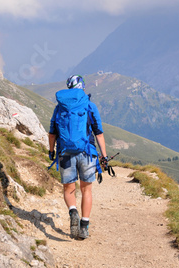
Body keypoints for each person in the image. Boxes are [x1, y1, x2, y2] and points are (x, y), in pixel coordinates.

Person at [48, 75, 107, 240]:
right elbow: (99, 133)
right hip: (87, 153)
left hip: (65, 152)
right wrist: (104, 156)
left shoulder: (60, 107)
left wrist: (51, 151)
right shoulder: (89, 105)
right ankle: (84, 226)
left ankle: (73, 211)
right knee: (86, 190)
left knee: (69, 189)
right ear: (82, 87)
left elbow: (52, 133)